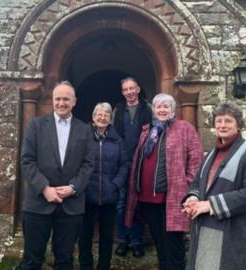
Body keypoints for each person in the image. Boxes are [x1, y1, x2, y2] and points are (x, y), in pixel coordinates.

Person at [181, 102, 246, 270]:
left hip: (233, 233)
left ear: (238, 125)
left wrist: (210, 205)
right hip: (206, 229)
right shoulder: (211, 154)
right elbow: (197, 182)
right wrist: (193, 197)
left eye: (228, 121)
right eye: (219, 121)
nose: (222, 125)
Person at [125, 93, 204, 270]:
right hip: (147, 198)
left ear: (172, 109)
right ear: (154, 109)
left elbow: (196, 159)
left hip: (172, 198)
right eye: (158, 106)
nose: (162, 109)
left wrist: (187, 184)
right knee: (159, 244)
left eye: (166, 106)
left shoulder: (184, 128)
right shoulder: (148, 131)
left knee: (173, 246)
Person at [20, 81, 94, 270]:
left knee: (65, 260)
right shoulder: (36, 126)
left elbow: (88, 164)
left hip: (70, 205)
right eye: (58, 99)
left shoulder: (84, 129)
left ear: (74, 101)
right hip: (38, 203)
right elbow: (27, 160)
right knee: (32, 260)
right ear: (53, 100)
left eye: (66, 99)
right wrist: (44, 188)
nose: (61, 103)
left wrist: (73, 188)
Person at [78, 103, 130, 270]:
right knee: (85, 235)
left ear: (110, 118)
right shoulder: (82, 137)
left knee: (106, 236)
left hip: (109, 195)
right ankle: (86, 266)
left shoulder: (117, 140)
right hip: (86, 195)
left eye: (106, 115)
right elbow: (75, 162)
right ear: (93, 117)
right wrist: (81, 184)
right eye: (99, 114)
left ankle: (103, 266)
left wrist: (116, 184)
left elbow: (125, 164)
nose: (102, 117)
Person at [113, 77, 152, 257]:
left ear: (138, 89)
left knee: (137, 204)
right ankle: (123, 239)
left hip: (142, 162)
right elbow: (113, 135)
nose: (129, 92)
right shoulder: (117, 110)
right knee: (121, 203)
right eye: (125, 89)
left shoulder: (148, 108)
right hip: (122, 163)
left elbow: (154, 134)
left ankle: (136, 241)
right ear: (122, 92)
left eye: (131, 88)